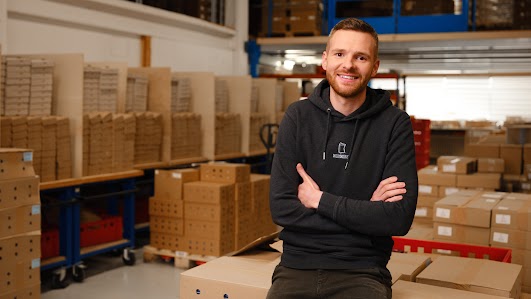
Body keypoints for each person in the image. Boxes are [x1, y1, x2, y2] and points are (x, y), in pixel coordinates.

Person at [267, 18, 418, 299]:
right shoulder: (297, 117)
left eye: (360, 57)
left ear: (374, 66)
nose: (348, 65)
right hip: (297, 266)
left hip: (363, 270)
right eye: (339, 54)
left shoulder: (395, 124)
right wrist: (367, 212)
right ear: (325, 60)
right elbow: (281, 209)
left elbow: (398, 218)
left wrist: (319, 200)